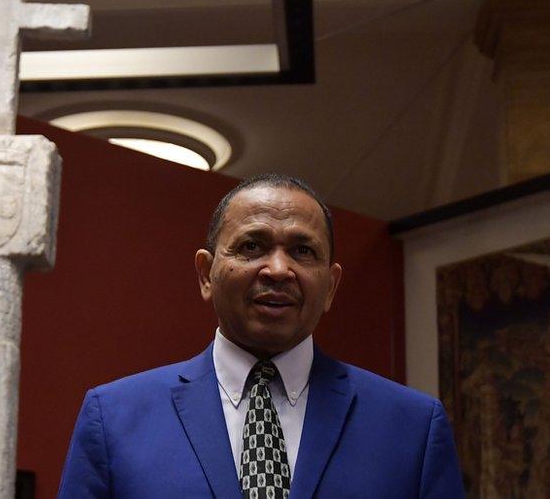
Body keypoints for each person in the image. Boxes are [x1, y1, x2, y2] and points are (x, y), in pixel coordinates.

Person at [58, 174, 464, 498]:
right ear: (205, 274)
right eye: (252, 246)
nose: (278, 269)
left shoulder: (413, 428)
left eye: (303, 251)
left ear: (331, 286)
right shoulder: (114, 419)